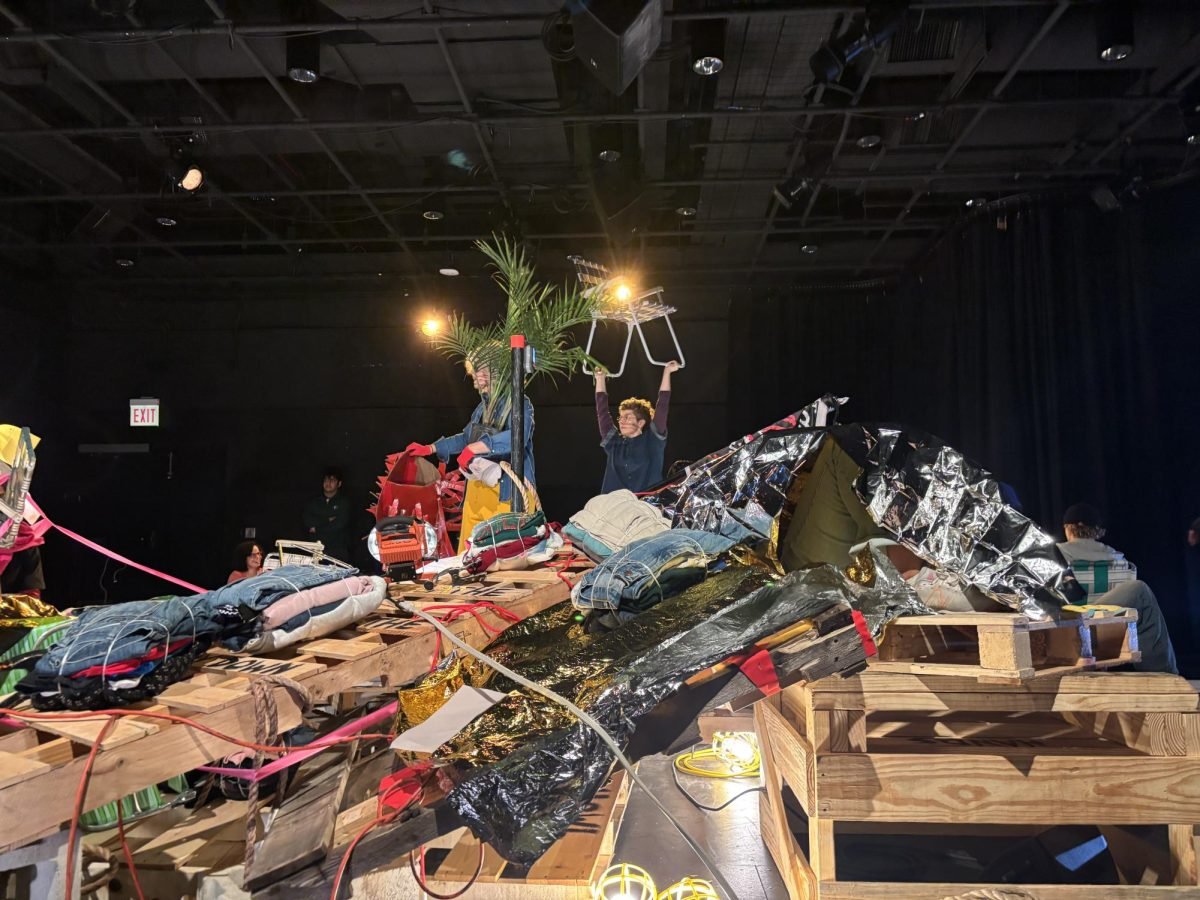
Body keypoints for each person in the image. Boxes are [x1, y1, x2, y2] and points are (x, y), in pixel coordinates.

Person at [407, 357, 535, 554]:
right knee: (468, 554)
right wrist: (431, 448)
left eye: (481, 369)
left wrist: (477, 447)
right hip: (477, 488)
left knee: (503, 553)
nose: (476, 376)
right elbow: (465, 438)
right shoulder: (480, 409)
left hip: (507, 490)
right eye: (475, 370)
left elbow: (518, 437)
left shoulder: (519, 403)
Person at [1058, 502, 1178, 674]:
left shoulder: (1050, 557)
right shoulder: (1121, 562)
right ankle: (1164, 675)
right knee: (1141, 593)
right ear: (1097, 531)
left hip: (1058, 634)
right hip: (1104, 638)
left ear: (1067, 529)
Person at [595, 361, 680, 494]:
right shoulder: (614, 443)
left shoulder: (652, 442)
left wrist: (667, 372)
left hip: (644, 506)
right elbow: (602, 413)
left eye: (627, 417)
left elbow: (662, 406)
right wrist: (600, 379)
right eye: (621, 417)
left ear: (641, 423)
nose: (622, 421)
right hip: (614, 507)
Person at [303, 467, 352, 562]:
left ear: (339, 484)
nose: (328, 483)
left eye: (332, 480)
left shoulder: (344, 502)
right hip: (316, 549)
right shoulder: (314, 501)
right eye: (326, 480)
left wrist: (316, 528)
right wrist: (327, 520)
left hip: (337, 550)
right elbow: (307, 521)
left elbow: (339, 525)